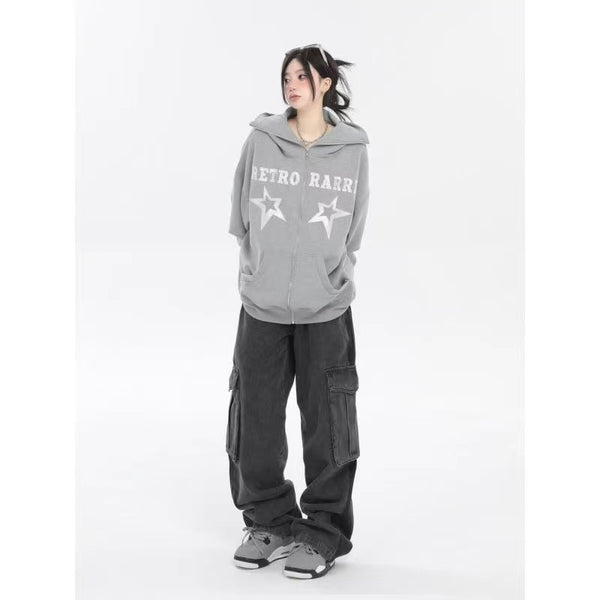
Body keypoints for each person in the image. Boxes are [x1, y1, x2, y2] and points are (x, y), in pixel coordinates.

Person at [225, 43, 370, 579]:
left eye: (302, 76)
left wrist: (332, 275)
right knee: (256, 417)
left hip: (325, 307)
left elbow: (355, 226)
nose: (291, 84)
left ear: (324, 83)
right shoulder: (261, 140)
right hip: (262, 305)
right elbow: (240, 213)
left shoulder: (353, 149)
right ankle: (269, 522)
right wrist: (257, 271)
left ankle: (323, 531)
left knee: (328, 421)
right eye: (286, 76)